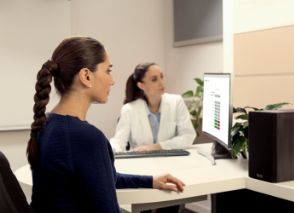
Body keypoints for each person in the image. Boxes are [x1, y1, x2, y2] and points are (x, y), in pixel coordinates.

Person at [26, 37, 185, 213]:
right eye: (108, 71)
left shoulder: (46, 124)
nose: (112, 80)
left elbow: (102, 178)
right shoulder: (86, 138)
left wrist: (150, 181)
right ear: (86, 76)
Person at [110, 62, 196, 152]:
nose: (161, 83)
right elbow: (119, 141)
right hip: (141, 161)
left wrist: (158, 146)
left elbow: (188, 136)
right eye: (154, 79)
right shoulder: (129, 109)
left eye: (161, 77)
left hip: (171, 160)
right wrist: (111, 150)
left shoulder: (176, 102)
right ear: (141, 85)